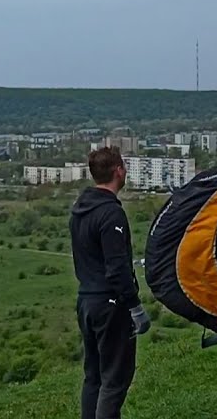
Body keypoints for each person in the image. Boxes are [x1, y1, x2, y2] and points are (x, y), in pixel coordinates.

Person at [69, 146, 151, 419]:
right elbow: (117, 269)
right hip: (110, 304)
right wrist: (135, 307)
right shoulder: (110, 214)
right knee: (115, 380)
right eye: (124, 167)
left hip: (86, 301)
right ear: (118, 171)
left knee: (93, 377)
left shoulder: (79, 210)